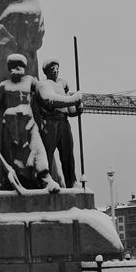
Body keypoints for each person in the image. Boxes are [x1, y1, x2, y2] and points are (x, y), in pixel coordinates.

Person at [0, 54, 82, 191]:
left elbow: (49, 99)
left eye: (21, 66)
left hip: (29, 123)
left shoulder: (31, 81)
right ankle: (10, 181)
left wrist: (74, 103)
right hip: (12, 125)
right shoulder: (4, 86)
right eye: (15, 66)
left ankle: (47, 180)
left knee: (39, 150)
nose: (18, 70)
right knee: (13, 156)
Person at [36, 60, 82, 188]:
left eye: (57, 68)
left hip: (64, 123)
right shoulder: (43, 85)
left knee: (68, 156)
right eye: (52, 69)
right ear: (46, 71)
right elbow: (51, 101)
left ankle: (71, 182)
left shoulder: (62, 84)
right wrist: (72, 99)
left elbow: (70, 111)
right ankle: (46, 182)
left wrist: (78, 107)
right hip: (50, 123)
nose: (55, 71)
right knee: (48, 155)